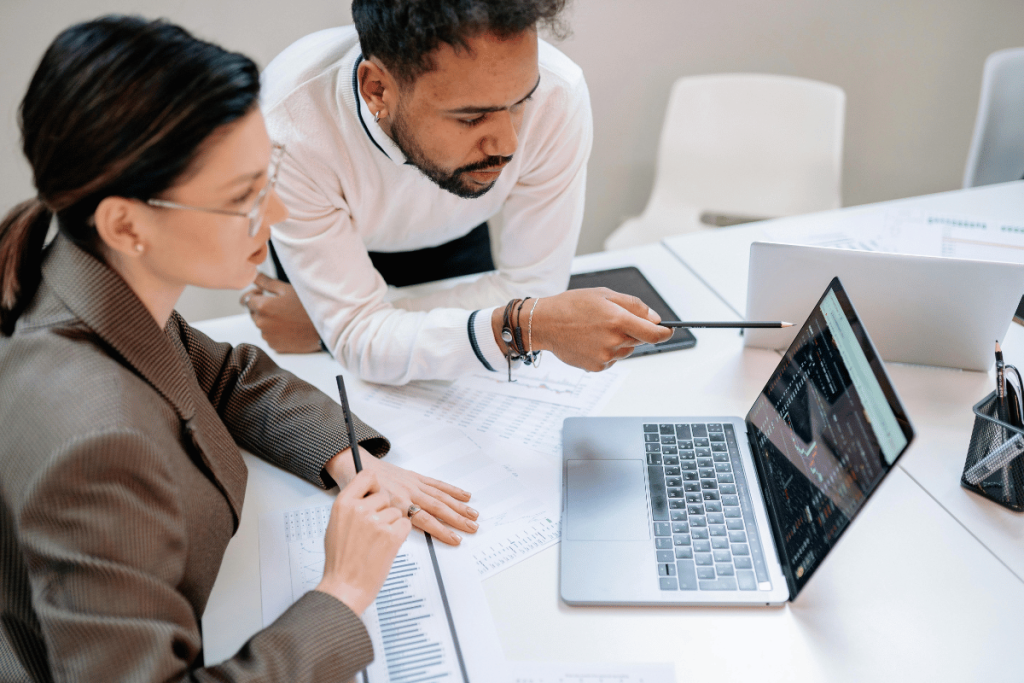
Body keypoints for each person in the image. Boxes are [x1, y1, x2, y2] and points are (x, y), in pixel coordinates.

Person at [0, 16, 477, 681]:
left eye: (267, 175)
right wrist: (341, 591)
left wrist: (348, 456)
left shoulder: (91, 279)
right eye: (242, 197)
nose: (275, 214)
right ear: (126, 222)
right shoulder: (92, 441)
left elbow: (222, 375)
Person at [245, 0, 673, 384]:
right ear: (376, 89)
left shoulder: (558, 97)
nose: (507, 146)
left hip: (457, 228)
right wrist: (521, 324)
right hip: (344, 238)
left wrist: (329, 329)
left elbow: (532, 289)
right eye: (471, 118)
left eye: (521, 102)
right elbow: (362, 342)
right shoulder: (291, 128)